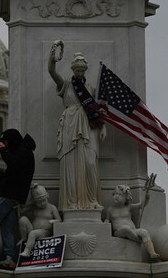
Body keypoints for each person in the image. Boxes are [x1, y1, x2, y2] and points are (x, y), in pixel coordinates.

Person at [48, 41, 106, 210]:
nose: (80, 73)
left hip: (89, 125)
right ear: (73, 70)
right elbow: (52, 72)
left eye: (82, 70)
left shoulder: (90, 89)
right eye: (77, 70)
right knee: (71, 165)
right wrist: (52, 57)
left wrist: (103, 127)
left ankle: (92, 199)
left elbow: (98, 110)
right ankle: (71, 202)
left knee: (90, 163)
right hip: (70, 123)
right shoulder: (66, 85)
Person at [0, 128, 36, 270]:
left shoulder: (23, 152)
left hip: (10, 194)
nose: (3, 145)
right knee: (7, 226)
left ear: (10, 141)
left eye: (4, 142)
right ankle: (9, 257)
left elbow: (13, 164)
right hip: (16, 196)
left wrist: (3, 151)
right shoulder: (25, 152)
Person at [104, 178, 160, 259]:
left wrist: (147, 197)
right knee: (125, 228)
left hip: (133, 231)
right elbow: (107, 222)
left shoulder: (128, 207)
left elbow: (141, 205)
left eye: (120, 195)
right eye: (115, 194)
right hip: (119, 232)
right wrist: (105, 223)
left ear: (126, 198)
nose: (117, 196)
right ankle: (138, 241)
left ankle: (152, 252)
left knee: (144, 232)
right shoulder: (110, 210)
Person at [18, 184, 61, 257]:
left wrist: (53, 221)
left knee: (33, 233)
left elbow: (59, 220)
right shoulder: (34, 207)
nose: (42, 203)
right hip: (32, 230)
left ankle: (27, 251)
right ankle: (23, 238)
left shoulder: (52, 207)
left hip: (45, 232)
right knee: (23, 219)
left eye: (44, 200)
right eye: (39, 202)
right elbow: (22, 211)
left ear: (47, 197)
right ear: (34, 202)